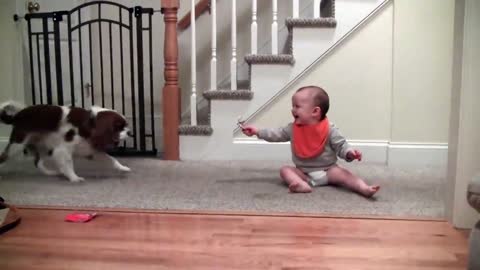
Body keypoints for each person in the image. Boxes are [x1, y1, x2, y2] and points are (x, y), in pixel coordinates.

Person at [240, 85, 380, 197]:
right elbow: (276, 134)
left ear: (315, 111)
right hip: (304, 173)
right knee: (285, 170)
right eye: (293, 106)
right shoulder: (293, 129)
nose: (292, 109)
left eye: (297, 106)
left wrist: (350, 153)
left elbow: (341, 145)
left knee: (346, 175)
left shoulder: (329, 129)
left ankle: (364, 188)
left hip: (328, 170)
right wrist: (258, 132)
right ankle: (301, 184)